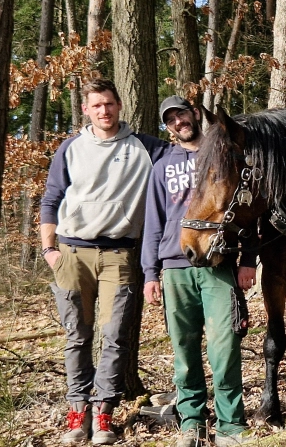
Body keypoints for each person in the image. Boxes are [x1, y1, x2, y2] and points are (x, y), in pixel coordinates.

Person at [40, 78, 170, 445]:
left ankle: (103, 416)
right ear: (86, 109)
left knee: (114, 338)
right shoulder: (70, 148)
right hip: (71, 255)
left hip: (120, 256)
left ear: (119, 105)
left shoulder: (147, 148)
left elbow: (189, 153)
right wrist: (50, 250)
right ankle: (76, 415)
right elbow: (51, 200)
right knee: (76, 337)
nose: (104, 111)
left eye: (109, 104)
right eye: (96, 105)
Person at [142, 96, 257, 447]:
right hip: (175, 269)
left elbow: (246, 205)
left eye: (183, 114)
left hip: (218, 266)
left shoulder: (222, 154)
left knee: (225, 348)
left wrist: (248, 260)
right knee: (185, 350)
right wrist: (150, 272)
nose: (179, 123)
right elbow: (152, 221)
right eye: (171, 120)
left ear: (195, 114)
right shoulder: (162, 165)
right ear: (167, 127)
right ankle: (191, 422)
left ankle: (231, 426)